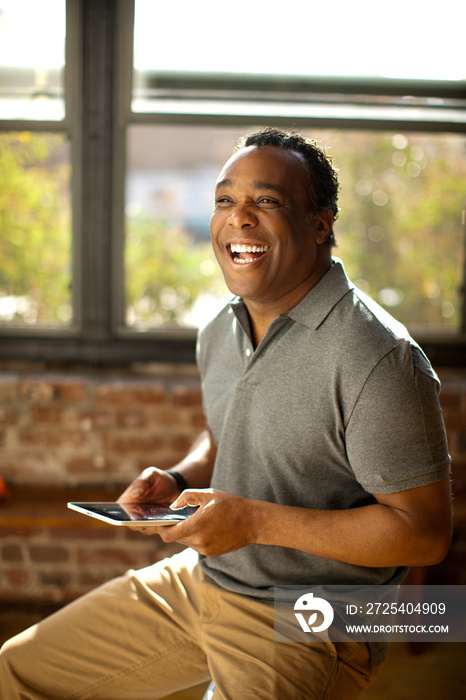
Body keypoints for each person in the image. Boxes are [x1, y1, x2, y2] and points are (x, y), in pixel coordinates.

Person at [0, 128, 452, 699]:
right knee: (16, 670)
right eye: (223, 200)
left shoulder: (377, 357)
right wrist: (179, 477)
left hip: (308, 618)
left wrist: (256, 522)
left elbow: (424, 535)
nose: (238, 217)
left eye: (265, 201)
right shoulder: (221, 327)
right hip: (203, 579)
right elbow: (227, 432)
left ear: (320, 224)